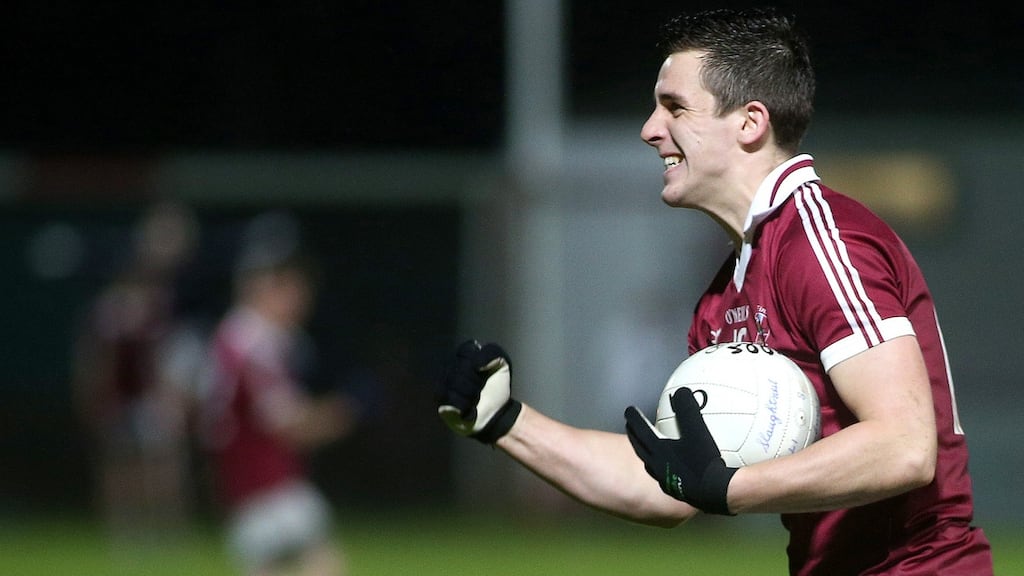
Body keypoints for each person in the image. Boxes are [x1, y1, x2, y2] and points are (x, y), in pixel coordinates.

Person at [435, 7, 993, 575]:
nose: (650, 129)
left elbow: (904, 446)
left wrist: (731, 489)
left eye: (674, 107)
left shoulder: (821, 241)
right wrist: (504, 420)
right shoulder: (726, 296)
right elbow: (667, 485)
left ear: (750, 123)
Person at [199, 213, 357, 576]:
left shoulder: (236, 335)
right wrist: (341, 413)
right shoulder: (253, 342)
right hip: (265, 486)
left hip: (242, 485)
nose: (300, 299)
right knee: (325, 563)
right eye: (291, 287)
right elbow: (287, 423)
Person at [72, 201, 201, 543]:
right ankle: (125, 533)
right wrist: (91, 392)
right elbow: (94, 356)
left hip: (152, 395)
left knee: (163, 464)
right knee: (120, 464)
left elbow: (167, 354)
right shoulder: (107, 310)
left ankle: (168, 530)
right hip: (116, 396)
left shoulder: (161, 305)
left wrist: (171, 395)